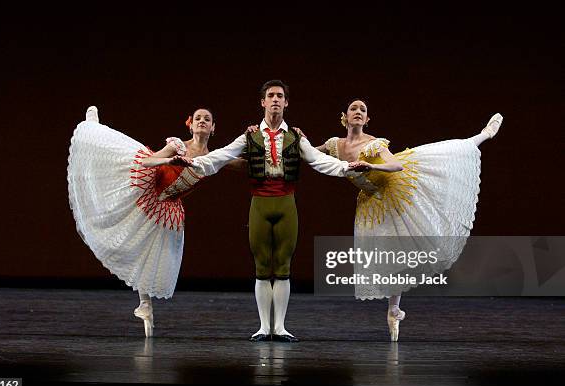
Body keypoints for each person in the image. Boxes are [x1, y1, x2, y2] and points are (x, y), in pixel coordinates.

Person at [174, 80, 370, 342]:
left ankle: (281, 327)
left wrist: (346, 167)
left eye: (280, 96)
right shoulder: (250, 136)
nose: (275, 99)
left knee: (284, 265)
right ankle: (264, 326)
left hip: (286, 203)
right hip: (260, 203)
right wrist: (195, 162)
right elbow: (220, 156)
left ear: (286, 103)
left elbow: (318, 160)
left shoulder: (296, 137)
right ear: (263, 102)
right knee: (262, 265)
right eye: (271, 96)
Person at [314, 99, 503, 341]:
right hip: (373, 200)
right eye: (354, 109)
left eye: (363, 110)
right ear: (345, 117)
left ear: (367, 119)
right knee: (393, 254)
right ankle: (394, 310)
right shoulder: (334, 144)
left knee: (446, 155)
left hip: (395, 188)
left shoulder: (373, 144)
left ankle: (481, 136)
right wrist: (292, 139)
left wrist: (370, 165)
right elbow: (310, 154)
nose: (358, 112)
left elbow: (394, 165)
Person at [67, 106, 216, 337]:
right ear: (190, 124)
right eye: (198, 118)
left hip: (166, 205)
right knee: (116, 179)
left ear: (213, 127)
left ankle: (145, 304)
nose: (202, 122)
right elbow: (149, 162)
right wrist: (172, 161)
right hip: (149, 186)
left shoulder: (213, 159)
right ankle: (94, 132)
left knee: (148, 249)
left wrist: (254, 143)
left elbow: (236, 159)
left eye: (207, 119)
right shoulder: (178, 145)